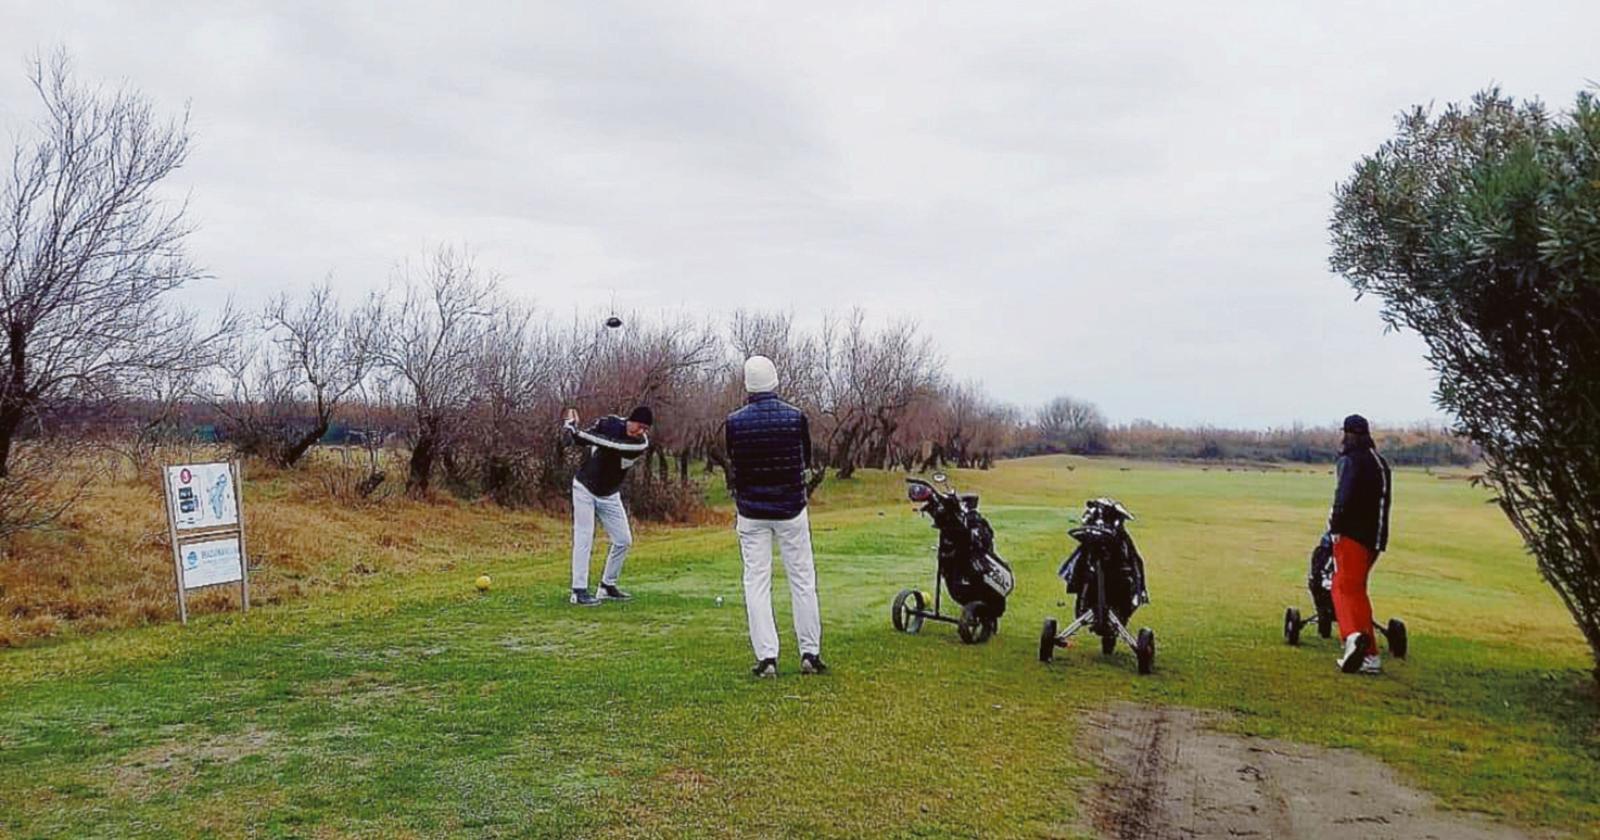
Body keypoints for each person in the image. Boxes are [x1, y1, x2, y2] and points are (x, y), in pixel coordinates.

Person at [725, 356, 824, 678]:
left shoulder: (734, 421)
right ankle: (810, 651)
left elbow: (733, 461)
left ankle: (767, 656)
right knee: (802, 581)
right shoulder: (796, 418)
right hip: (791, 508)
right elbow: (805, 458)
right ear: (775, 381)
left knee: (756, 582)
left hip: (751, 512)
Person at [562, 405, 653, 607]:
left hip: (609, 494)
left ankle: (607, 586)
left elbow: (609, 444)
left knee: (624, 540)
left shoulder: (639, 445)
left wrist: (575, 431)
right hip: (584, 487)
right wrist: (571, 432)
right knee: (584, 536)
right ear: (631, 420)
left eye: (646, 429)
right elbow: (588, 436)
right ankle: (578, 591)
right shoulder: (610, 422)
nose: (642, 432)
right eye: (640, 426)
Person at [1328, 413, 1393, 674]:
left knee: (1341, 587)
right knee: (1356, 589)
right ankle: (1367, 649)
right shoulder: (1380, 462)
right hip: (1376, 537)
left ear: (1346, 433)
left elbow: (1343, 495)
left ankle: (1356, 641)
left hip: (1353, 533)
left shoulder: (1351, 460)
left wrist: (1335, 526)